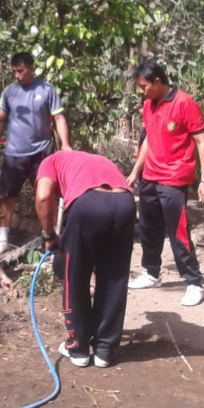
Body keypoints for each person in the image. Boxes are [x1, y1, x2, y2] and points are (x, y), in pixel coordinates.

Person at [35, 150, 136, 368]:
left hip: (89, 204)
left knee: (75, 276)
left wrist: (49, 235)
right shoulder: (95, 159)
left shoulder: (49, 161)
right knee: (114, 277)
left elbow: (43, 197)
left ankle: (78, 348)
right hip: (125, 203)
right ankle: (105, 350)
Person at [127, 59, 204, 306]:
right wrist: (135, 172)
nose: (141, 92)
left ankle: (194, 282)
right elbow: (148, 142)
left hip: (174, 178)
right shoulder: (148, 106)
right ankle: (151, 273)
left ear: (157, 81)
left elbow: (201, 141)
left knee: (178, 231)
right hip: (150, 177)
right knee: (147, 227)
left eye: (143, 87)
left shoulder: (184, 103)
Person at [0, 51, 71, 254]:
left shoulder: (47, 90)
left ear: (31, 68)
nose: (17, 75)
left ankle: (48, 235)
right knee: (7, 196)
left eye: (21, 71)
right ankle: (3, 238)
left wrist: (65, 144)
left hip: (40, 154)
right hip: (13, 154)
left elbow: (59, 118)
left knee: (44, 195)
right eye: (14, 71)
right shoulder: (9, 93)